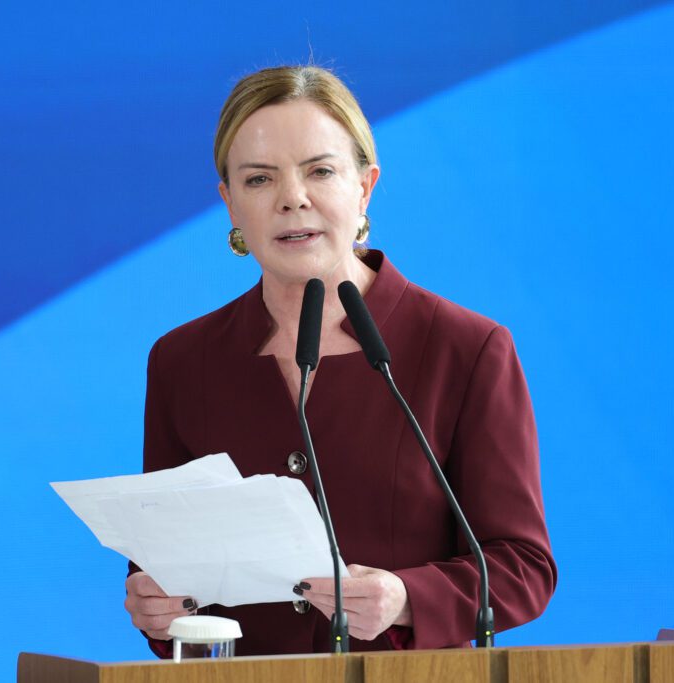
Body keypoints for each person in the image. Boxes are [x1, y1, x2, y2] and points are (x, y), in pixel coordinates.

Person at [123, 65, 556, 655]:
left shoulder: (466, 348)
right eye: (259, 179)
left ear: (365, 187)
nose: (292, 198)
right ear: (230, 204)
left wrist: (406, 597)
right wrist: (155, 605)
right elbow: (163, 569)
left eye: (320, 171)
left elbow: (523, 567)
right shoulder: (183, 361)